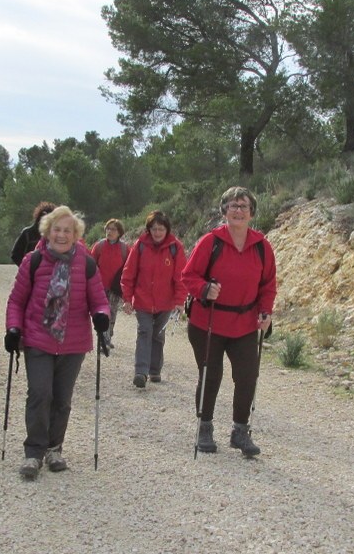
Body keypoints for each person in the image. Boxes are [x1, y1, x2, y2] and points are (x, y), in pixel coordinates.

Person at [4, 206, 111, 479]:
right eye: (57, 229)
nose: (62, 235)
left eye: (67, 231)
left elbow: (99, 300)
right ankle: (34, 453)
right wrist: (13, 329)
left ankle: (54, 448)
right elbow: (16, 300)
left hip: (73, 343)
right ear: (47, 231)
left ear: (75, 235)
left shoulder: (86, 263)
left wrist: (101, 317)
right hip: (38, 339)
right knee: (40, 394)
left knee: (62, 399)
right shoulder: (33, 260)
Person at [181, 187, 276, 457]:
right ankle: (204, 427)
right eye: (233, 205)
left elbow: (268, 285)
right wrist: (203, 289)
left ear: (252, 213)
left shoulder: (261, 247)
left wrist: (265, 311)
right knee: (211, 374)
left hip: (245, 323)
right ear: (224, 211)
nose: (238, 210)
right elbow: (188, 276)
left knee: (247, 376)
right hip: (207, 322)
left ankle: (240, 432)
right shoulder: (210, 242)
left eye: (244, 206)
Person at [121, 210, 186, 388]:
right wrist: (127, 298)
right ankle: (140, 372)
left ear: (167, 230)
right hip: (142, 300)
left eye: (160, 229)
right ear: (148, 230)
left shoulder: (175, 247)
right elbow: (129, 273)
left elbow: (180, 276)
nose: (157, 232)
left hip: (166, 302)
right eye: (154, 229)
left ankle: (155, 370)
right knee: (144, 332)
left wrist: (180, 301)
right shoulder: (140, 245)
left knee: (158, 335)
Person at [90, 219, 128, 348]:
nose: (110, 231)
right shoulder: (99, 246)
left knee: (112, 312)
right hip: (99, 286)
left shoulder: (124, 248)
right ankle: (102, 337)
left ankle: (107, 336)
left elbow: (129, 268)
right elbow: (90, 264)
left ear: (119, 232)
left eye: (113, 229)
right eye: (108, 228)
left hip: (115, 287)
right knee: (101, 313)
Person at [10, 201, 56, 266]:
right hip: (30, 273)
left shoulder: (55, 235)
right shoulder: (27, 233)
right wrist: (25, 267)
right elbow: (15, 254)